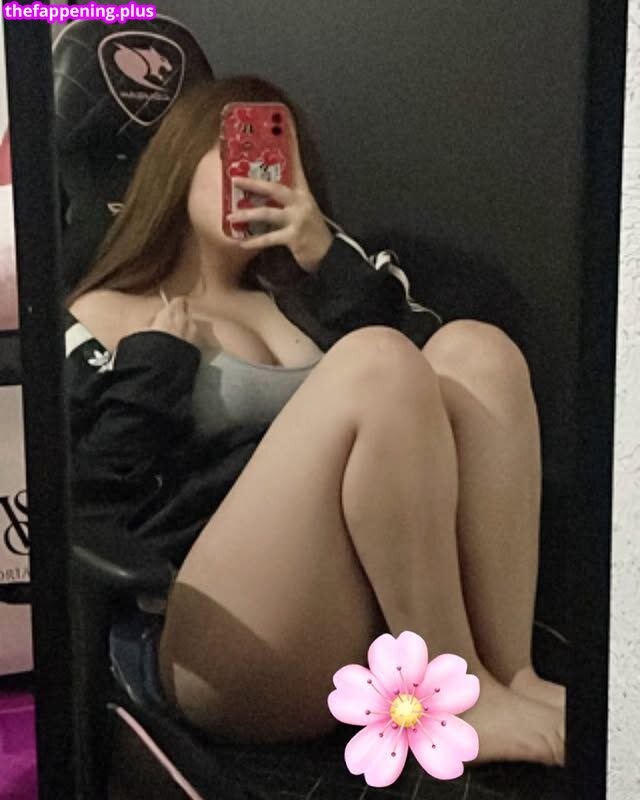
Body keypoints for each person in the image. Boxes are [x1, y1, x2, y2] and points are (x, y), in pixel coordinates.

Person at [64, 75, 565, 769]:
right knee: (376, 362)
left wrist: (324, 259)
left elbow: (438, 396)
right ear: (178, 163)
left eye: (277, 158)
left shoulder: (311, 294)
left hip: (365, 616)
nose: (257, 175)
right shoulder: (101, 313)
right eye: (237, 150)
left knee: (479, 352)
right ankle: (451, 697)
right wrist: (155, 366)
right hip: (209, 630)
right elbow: (83, 495)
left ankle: (509, 675)